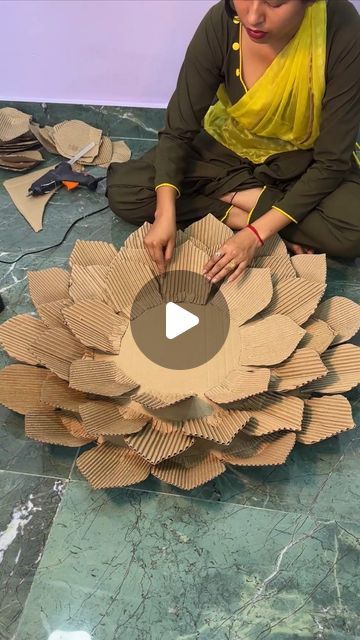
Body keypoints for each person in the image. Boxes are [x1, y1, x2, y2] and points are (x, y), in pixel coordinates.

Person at [106, 0, 360, 284]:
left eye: (275, 3)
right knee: (126, 190)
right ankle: (253, 214)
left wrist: (254, 237)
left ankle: (248, 203)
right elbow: (179, 129)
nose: (252, 16)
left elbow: (331, 161)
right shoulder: (222, 22)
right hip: (227, 146)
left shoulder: (340, 27)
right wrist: (164, 213)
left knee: (353, 230)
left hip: (301, 159)